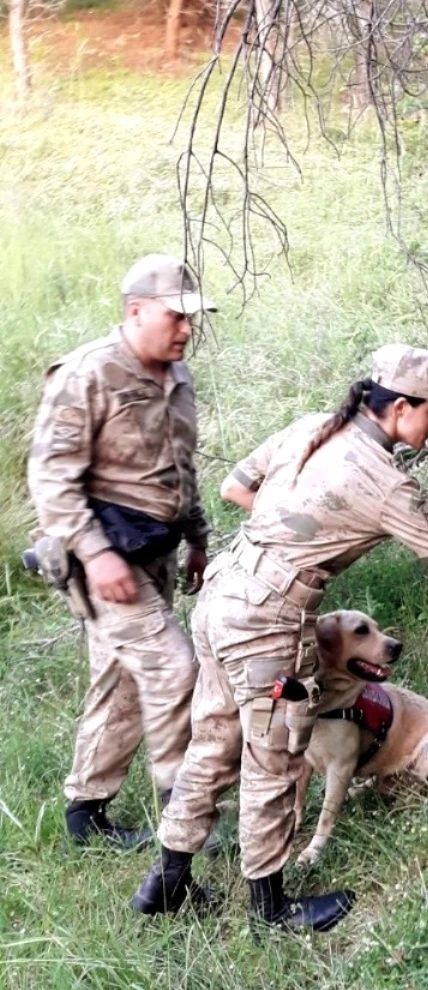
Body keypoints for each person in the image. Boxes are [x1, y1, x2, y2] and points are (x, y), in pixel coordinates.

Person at [132, 344, 428, 933]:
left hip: (225, 593)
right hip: (268, 620)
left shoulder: (310, 429)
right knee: (276, 757)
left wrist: (296, 537)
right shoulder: (383, 481)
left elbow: (235, 487)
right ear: (401, 408)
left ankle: (166, 883)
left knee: (213, 739)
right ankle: (271, 912)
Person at [27, 254, 215, 848]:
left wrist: (197, 540)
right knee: (173, 670)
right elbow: (51, 478)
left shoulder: (176, 378)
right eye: (176, 317)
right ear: (136, 312)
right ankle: (185, 819)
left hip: (154, 552)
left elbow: (179, 470)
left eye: (192, 319)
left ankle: (87, 816)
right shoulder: (88, 373)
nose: (187, 329)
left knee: (122, 682)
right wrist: (97, 553)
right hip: (105, 561)